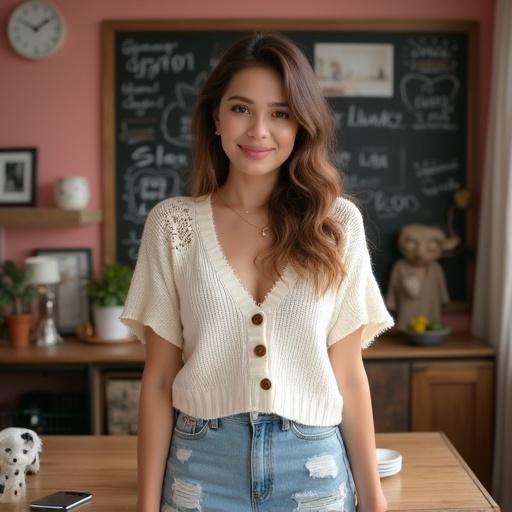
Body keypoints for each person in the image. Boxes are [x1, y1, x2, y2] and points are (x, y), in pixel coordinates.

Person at [120, 32, 394, 512]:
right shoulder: (173, 225)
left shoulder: (336, 225)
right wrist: (146, 506)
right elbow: (160, 379)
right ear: (215, 117)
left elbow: (349, 375)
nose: (258, 131)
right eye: (242, 109)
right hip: (200, 467)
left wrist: (373, 500)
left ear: (301, 126)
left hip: (313, 468)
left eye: (281, 113)